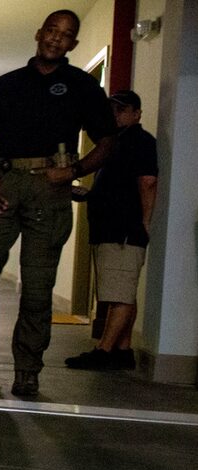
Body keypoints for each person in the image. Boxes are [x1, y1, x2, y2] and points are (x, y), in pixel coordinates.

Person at [0, 10, 117, 396]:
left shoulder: (80, 85)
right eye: (52, 31)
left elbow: (108, 141)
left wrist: (74, 170)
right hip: (4, 183)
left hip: (50, 186)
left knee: (38, 288)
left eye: (67, 35)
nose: (57, 39)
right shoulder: (8, 84)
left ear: (73, 44)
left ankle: (27, 367)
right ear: (39, 33)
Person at [65, 90, 157, 371]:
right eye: (112, 110)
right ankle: (122, 349)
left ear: (136, 113)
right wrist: (90, 195)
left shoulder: (139, 141)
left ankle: (104, 350)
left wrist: (143, 222)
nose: (116, 115)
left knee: (118, 294)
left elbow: (148, 182)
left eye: (122, 109)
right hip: (112, 227)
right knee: (122, 290)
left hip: (123, 230)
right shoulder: (117, 143)